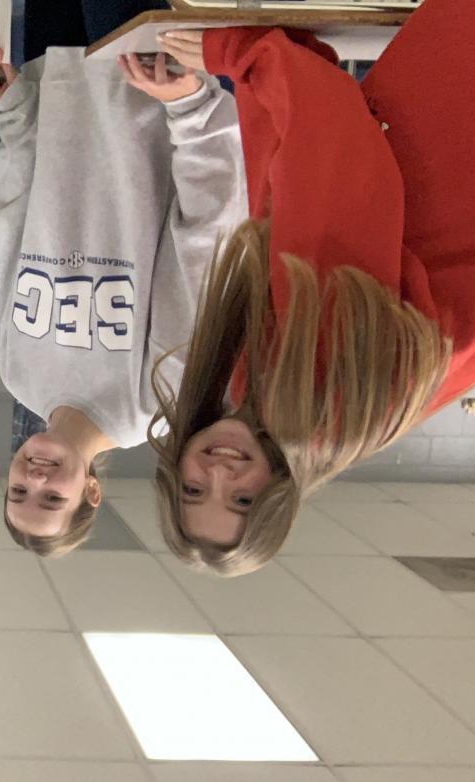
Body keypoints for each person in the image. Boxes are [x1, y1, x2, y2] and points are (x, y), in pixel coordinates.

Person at [153, 1, 473, 575]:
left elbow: (279, 194)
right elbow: (330, 146)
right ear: (278, 497)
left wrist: (273, 65)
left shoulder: (282, 398)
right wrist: (240, 56)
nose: (220, 473)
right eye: (242, 500)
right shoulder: (313, 393)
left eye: (195, 491)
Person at [0, 0, 246, 557]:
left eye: (18, 491)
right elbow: (204, 244)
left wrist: (12, 117)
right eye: (52, 499)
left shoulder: (18, 374)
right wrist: (192, 111)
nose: (35, 478)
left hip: (53, 86)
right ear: (91, 492)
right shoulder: (154, 405)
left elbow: (10, 224)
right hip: (146, 93)